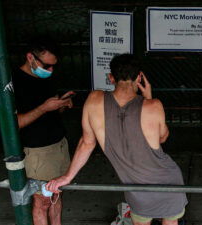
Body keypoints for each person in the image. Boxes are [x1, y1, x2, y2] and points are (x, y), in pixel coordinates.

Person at [46, 54, 188, 225]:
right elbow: (163, 137)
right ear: (139, 77)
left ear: (111, 77)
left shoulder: (94, 100)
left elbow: (87, 143)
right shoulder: (153, 105)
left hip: (136, 189)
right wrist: (148, 98)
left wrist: (67, 177)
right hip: (168, 182)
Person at [12, 36, 74, 225]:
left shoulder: (47, 77)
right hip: (37, 152)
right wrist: (44, 108)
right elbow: (14, 124)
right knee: (42, 201)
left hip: (59, 145)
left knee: (56, 195)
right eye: (46, 65)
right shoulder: (12, 83)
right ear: (30, 57)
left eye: (53, 66)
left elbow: (51, 108)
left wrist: (62, 104)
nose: (50, 70)